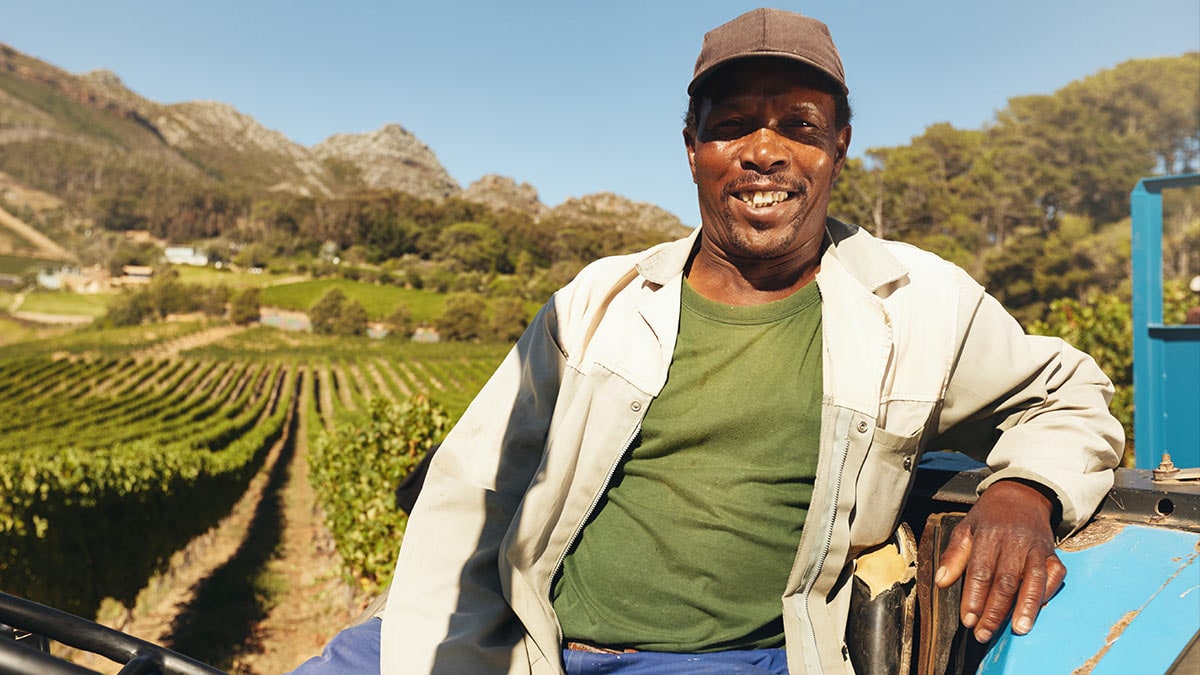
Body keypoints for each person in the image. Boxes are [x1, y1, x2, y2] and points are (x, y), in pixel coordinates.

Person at [291, 8, 1122, 674]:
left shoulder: (916, 301)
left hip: (715, 661)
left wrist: (1025, 493)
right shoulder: (598, 301)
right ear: (693, 149)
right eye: (733, 125)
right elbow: (470, 491)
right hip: (523, 637)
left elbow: (1071, 393)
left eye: (798, 124)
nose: (765, 151)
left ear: (839, 146)